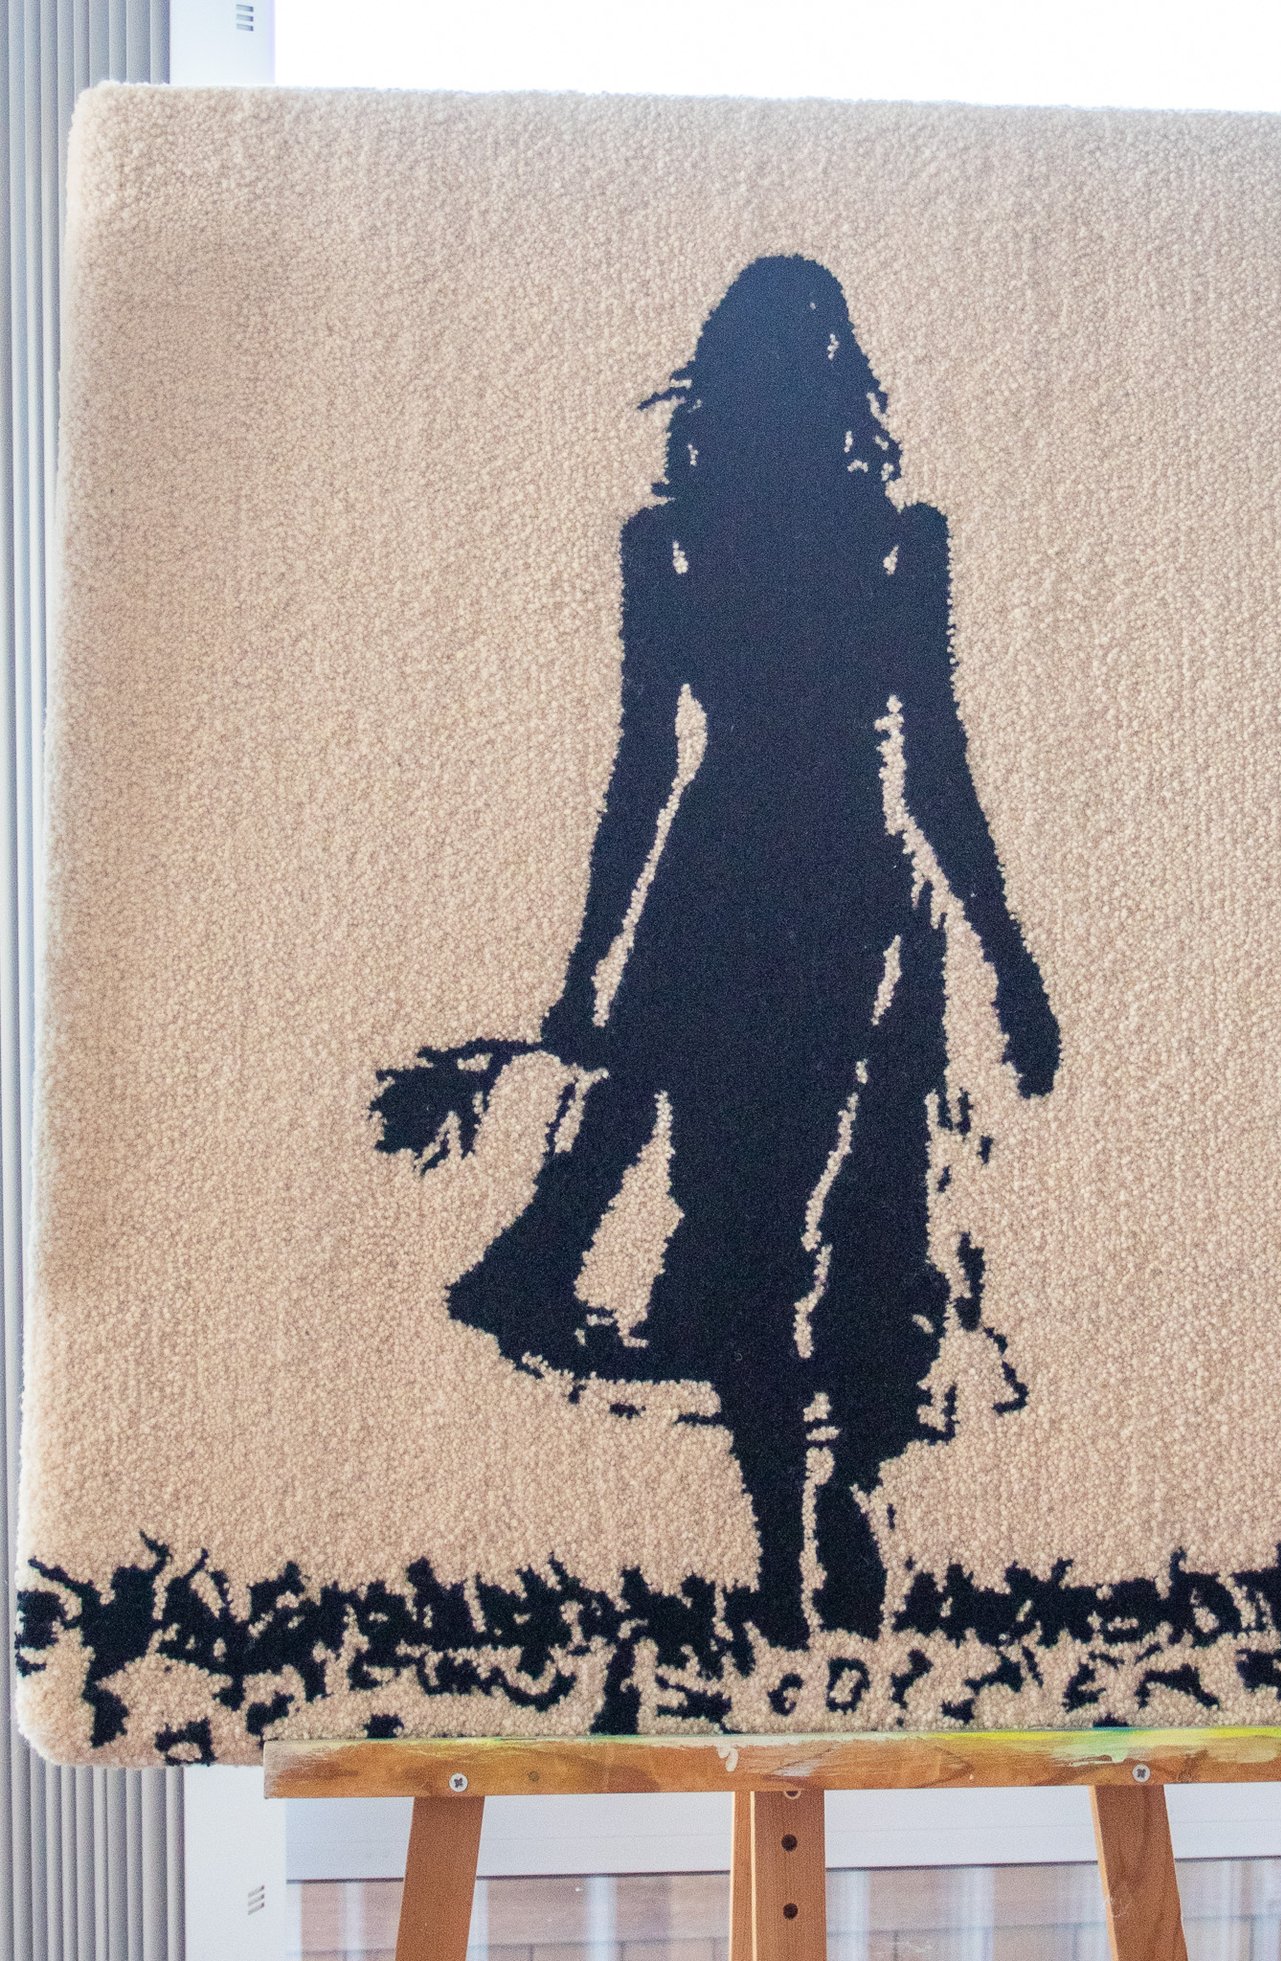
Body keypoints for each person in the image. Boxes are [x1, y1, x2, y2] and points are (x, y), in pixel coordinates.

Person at [373, 255, 1060, 1647]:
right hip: (856, 891)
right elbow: (936, 771)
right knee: (856, 1220)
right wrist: (1010, 960)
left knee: (749, 1229)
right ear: (841, 381)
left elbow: (645, 770)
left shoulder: (672, 542)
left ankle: (785, 1560)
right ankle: (839, 1511)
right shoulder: (897, 541)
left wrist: (589, 970)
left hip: (716, 885)